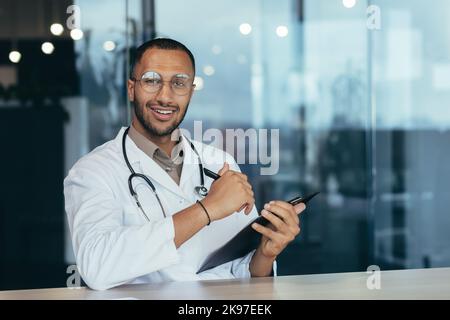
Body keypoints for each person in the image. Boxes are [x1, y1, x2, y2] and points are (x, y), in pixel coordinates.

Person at [64, 38, 305, 290]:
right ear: (131, 88)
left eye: (178, 83)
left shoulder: (220, 162)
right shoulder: (92, 171)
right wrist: (207, 209)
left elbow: (239, 268)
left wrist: (265, 254)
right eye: (151, 80)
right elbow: (97, 267)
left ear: (190, 91)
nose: (165, 96)